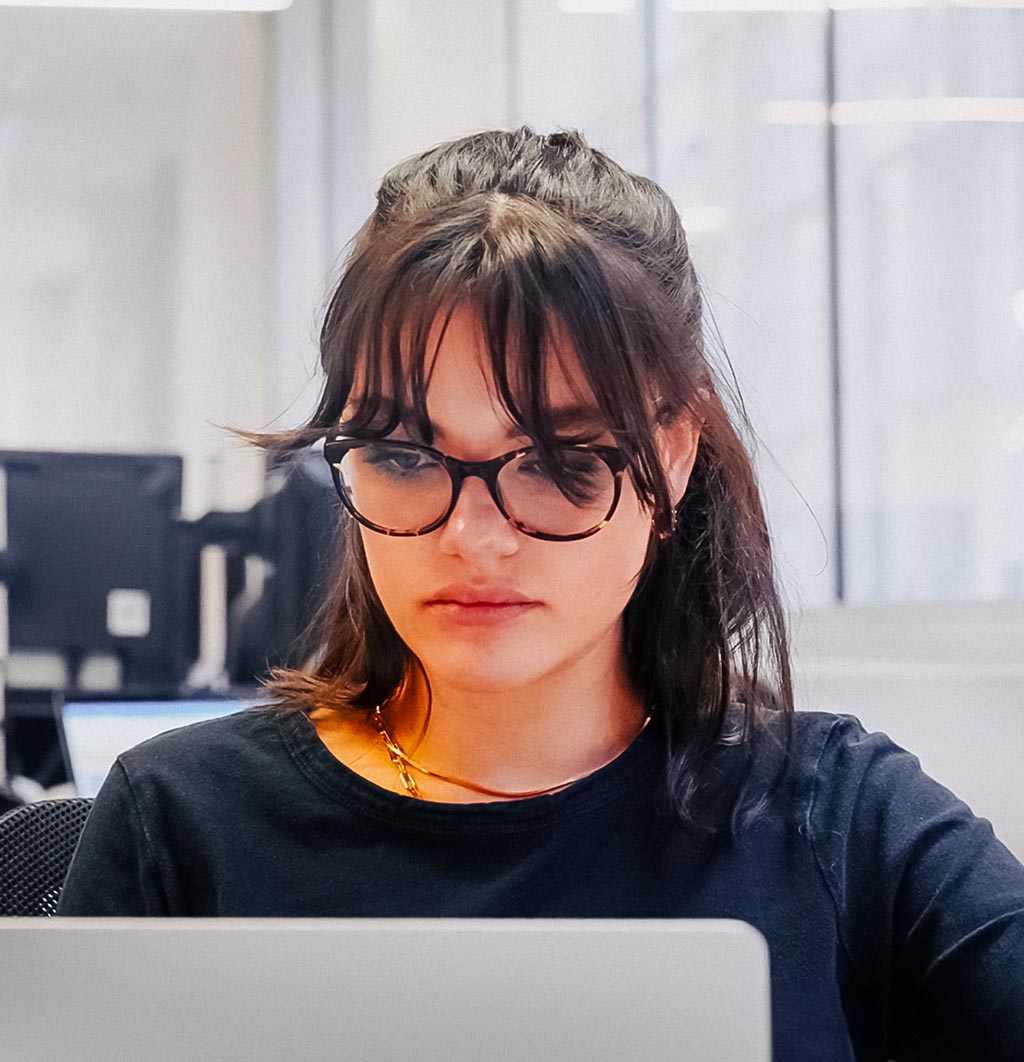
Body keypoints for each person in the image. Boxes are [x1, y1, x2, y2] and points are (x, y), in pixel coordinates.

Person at [58, 128, 1024, 1060]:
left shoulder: (842, 819)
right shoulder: (181, 820)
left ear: (673, 457)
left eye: (561, 462)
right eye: (401, 455)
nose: (475, 538)